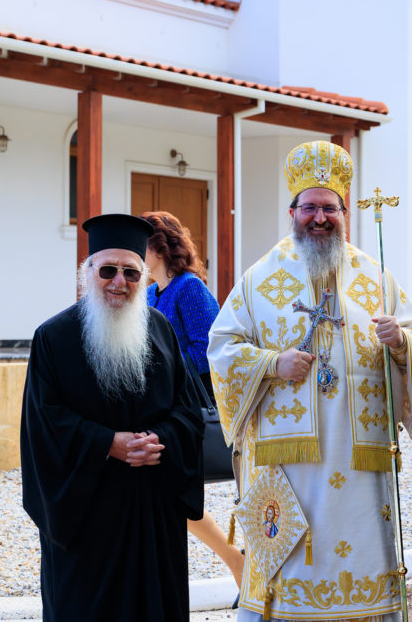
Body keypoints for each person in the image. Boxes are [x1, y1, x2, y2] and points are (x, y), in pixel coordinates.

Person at [207, 141, 412, 621]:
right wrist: (273, 363)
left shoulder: (373, 275)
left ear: (344, 214)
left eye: (330, 208)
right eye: (309, 207)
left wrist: (399, 341)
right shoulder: (260, 278)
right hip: (290, 466)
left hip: (361, 461)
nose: (319, 217)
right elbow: (221, 348)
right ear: (292, 212)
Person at [21, 213, 205, 622]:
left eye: (131, 272)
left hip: (154, 510)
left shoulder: (161, 330)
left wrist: (160, 440)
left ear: (143, 277)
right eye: (108, 270)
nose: (119, 282)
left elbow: (189, 409)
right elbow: (43, 424)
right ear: (88, 273)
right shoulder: (53, 337)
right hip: (87, 515)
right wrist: (108, 443)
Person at [141, 210, 245, 588]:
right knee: (165, 493)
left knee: (172, 491)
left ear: (160, 246)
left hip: (187, 410)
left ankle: (237, 561)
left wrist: (162, 366)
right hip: (157, 407)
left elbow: (209, 353)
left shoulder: (189, 288)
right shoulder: (148, 293)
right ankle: (235, 562)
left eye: (141, 242)